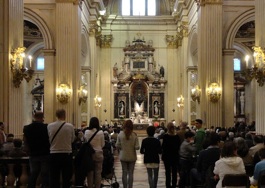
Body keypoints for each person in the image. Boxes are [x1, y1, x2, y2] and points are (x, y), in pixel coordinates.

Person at [47, 109, 75, 188]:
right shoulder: (70, 126)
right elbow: (72, 139)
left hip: (54, 153)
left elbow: (49, 139)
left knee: (54, 177)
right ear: (64, 115)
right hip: (66, 153)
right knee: (66, 177)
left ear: (56, 115)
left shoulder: (50, 126)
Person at [23, 112, 50, 188]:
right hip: (45, 153)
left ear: (34, 117)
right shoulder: (46, 127)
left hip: (33, 153)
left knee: (33, 173)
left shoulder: (27, 128)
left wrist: (27, 150)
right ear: (42, 117)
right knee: (45, 174)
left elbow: (25, 140)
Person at [116, 120, 140, 188]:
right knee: (131, 173)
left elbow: (117, 145)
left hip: (123, 156)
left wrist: (122, 148)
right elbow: (137, 147)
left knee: (124, 172)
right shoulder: (134, 135)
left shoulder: (120, 134)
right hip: (132, 156)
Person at [84, 117, 105, 188]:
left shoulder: (86, 132)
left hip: (89, 155)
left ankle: (90, 186)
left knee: (90, 173)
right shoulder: (101, 132)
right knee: (98, 173)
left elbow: (85, 143)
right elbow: (103, 144)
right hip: (99, 154)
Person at [162, 122, 181, 188]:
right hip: (175, 156)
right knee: (174, 171)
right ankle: (173, 185)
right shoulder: (177, 137)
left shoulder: (165, 136)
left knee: (167, 171)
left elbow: (163, 147)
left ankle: (168, 185)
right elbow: (179, 146)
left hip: (167, 156)